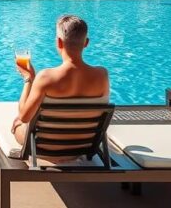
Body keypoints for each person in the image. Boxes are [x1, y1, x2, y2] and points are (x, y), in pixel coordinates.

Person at [12, 15, 110, 145]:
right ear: (86, 43)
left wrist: (28, 79)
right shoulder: (102, 75)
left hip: (46, 146)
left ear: (59, 42)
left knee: (17, 123)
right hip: (83, 145)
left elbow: (24, 116)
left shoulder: (46, 77)